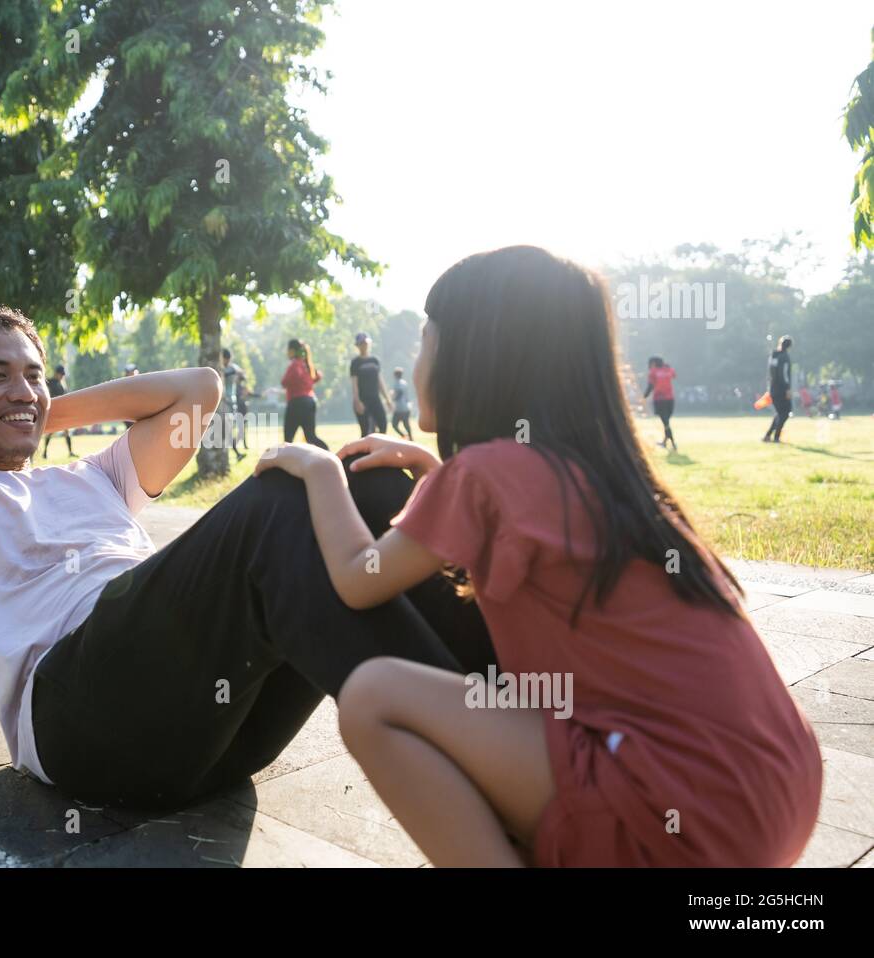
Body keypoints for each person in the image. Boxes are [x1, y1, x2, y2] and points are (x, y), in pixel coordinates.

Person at [255, 246, 821, 867]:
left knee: (374, 700)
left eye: (425, 341)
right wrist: (431, 469)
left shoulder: (486, 477)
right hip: (777, 794)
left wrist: (318, 470)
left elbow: (358, 579)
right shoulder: (608, 478)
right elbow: (518, 524)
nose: (416, 362)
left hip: (682, 816)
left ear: (473, 357)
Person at [0, 308, 492, 813]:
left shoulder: (96, 477)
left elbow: (197, 391)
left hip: (218, 740)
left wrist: (35, 409)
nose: (24, 388)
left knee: (367, 478)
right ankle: (490, 753)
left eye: (35, 373)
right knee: (283, 499)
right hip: (85, 721)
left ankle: (516, 714)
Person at [281, 339, 328, 449]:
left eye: (288, 350)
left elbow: (284, 382)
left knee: (288, 439)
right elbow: (317, 377)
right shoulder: (307, 365)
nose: (287, 352)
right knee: (311, 437)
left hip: (296, 403)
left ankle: (287, 464)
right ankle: (330, 455)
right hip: (310, 402)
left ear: (292, 351)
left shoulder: (294, 365)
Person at [349, 332, 390, 437]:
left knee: (383, 424)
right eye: (361, 343)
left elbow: (380, 381)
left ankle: (378, 449)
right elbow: (354, 383)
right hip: (363, 400)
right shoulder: (355, 362)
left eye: (365, 343)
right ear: (357, 346)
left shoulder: (375, 360)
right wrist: (357, 401)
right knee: (366, 430)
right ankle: (365, 452)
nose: (364, 345)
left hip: (375, 399)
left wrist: (387, 399)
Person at [642, 356, 677, 451]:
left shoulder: (653, 372)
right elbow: (674, 375)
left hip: (659, 400)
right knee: (666, 421)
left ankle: (673, 444)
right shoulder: (668, 369)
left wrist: (644, 397)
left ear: (653, 363)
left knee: (665, 422)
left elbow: (650, 386)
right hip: (670, 400)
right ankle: (665, 442)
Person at [763, 336, 793, 443]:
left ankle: (768, 436)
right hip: (782, 390)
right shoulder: (784, 357)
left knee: (779, 413)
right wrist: (788, 389)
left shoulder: (774, 356)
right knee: (785, 413)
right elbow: (783, 374)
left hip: (772, 389)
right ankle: (776, 437)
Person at [43, 364, 74, 458]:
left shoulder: (62, 383)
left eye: (63, 374)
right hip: (54, 409)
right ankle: (44, 452)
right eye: (61, 374)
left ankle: (70, 452)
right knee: (50, 432)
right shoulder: (51, 381)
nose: (62, 376)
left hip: (62, 410)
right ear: (56, 373)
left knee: (66, 431)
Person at [221, 348, 247, 461]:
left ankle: (236, 453)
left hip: (229, 402)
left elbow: (243, 376)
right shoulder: (232, 368)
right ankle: (236, 453)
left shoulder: (230, 368)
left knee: (228, 429)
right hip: (228, 402)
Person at [390, 367, 414, 440]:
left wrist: (393, 397)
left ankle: (404, 436)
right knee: (406, 424)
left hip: (399, 408)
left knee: (394, 424)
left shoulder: (397, 383)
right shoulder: (405, 383)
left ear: (395, 375)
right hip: (406, 407)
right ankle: (410, 437)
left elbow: (399, 393)